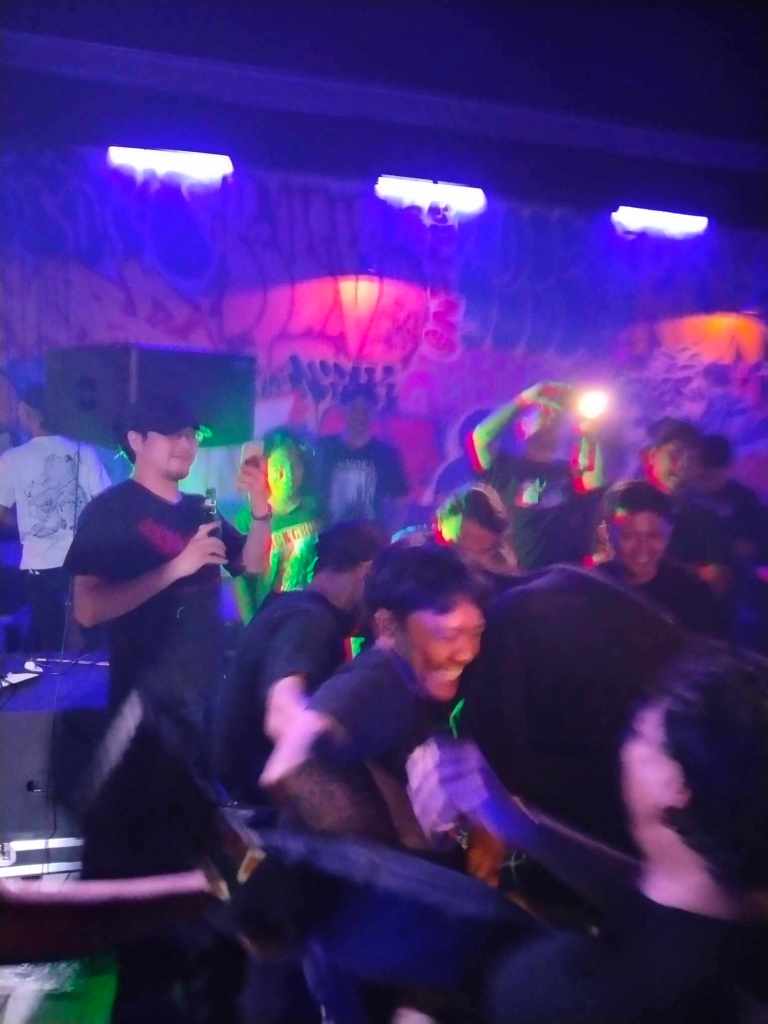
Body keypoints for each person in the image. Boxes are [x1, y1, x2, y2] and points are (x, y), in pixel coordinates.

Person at [409, 642, 768, 1023]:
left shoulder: (572, 993)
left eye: (639, 734)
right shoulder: (741, 918)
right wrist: (516, 823)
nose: (625, 747)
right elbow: (639, 897)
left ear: (675, 786)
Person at [65, 395, 271, 807]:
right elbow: (87, 609)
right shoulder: (108, 511)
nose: (186, 444)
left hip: (204, 692)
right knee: (148, 810)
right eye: (173, 434)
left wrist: (261, 510)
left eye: (191, 435)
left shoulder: (201, 507)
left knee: (200, 811)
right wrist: (175, 568)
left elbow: (251, 564)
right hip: (145, 698)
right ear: (136, 440)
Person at [261, 542, 485, 849]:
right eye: (448, 634)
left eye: (475, 633)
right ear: (388, 625)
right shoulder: (373, 681)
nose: (467, 652)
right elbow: (286, 766)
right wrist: (388, 853)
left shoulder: (412, 679)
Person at [216, 519, 386, 811]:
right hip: (259, 810)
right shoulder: (310, 621)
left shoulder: (288, 606)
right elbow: (283, 711)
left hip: (241, 799)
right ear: (366, 572)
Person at [0, 383, 111, 651]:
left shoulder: (13, 459)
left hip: (41, 569)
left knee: (50, 648)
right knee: (88, 649)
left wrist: (28, 525)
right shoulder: (84, 451)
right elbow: (106, 506)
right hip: (85, 565)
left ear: (26, 412)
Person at [469, 381, 604, 571]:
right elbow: (481, 438)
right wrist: (525, 399)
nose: (550, 416)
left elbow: (593, 484)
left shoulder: (568, 472)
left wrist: (588, 430)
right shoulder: (504, 468)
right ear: (522, 425)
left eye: (556, 414)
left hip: (565, 577)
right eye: (542, 410)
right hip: (518, 577)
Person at [597, 480, 723, 636]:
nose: (642, 549)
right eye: (628, 536)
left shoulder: (692, 594)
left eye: (654, 536)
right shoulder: (591, 585)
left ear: (668, 535)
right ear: (607, 534)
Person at [235, 427, 322, 621]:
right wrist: (251, 626)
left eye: (294, 465)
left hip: (309, 618)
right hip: (269, 620)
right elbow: (241, 582)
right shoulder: (248, 519)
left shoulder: (315, 512)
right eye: (278, 467)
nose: (287, 475)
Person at [641, 418, 730, 594]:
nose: (682, 465)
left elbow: (718, 581)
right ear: (652, 456)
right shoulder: (622, 502)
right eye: (675, 454)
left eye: (692, 458)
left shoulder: (707, 519)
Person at [317, 383, 408, 533]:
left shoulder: (387, 454)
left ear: (373, 413)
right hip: (327, 538)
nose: (360, 416)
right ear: (344, 410)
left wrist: (388, 536)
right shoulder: (324, 449)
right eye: (355, 409)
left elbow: (401, 501)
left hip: (370, 540)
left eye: (366, 410)